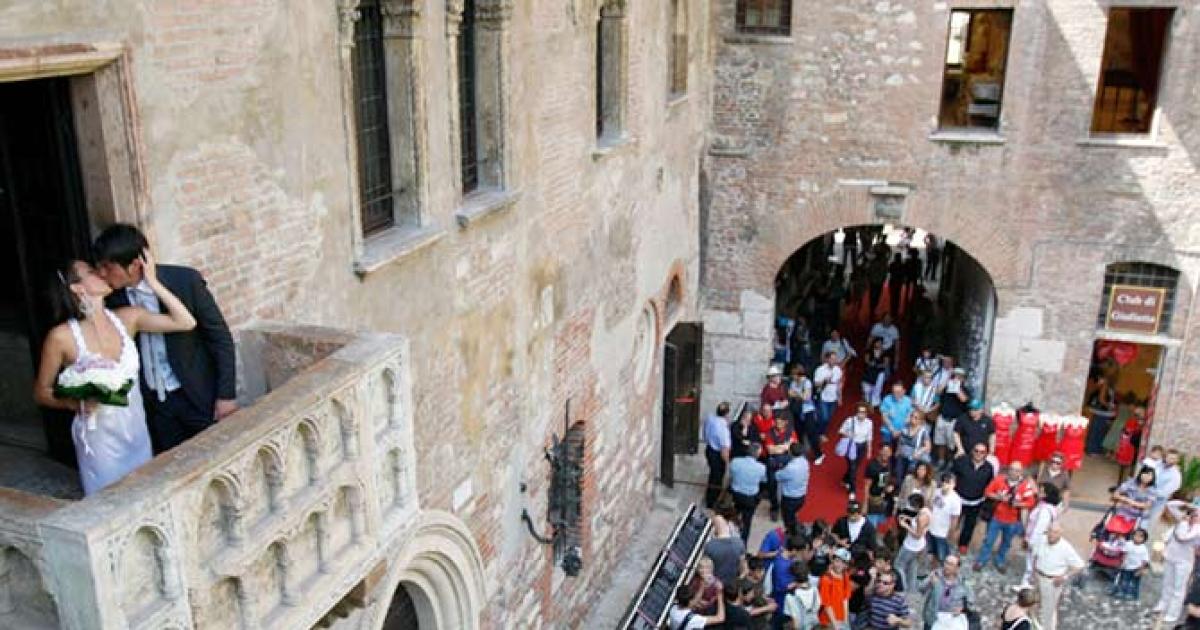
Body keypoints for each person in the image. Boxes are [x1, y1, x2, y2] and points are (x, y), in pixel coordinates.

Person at [33, 253, 197, 496]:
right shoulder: (61, 337)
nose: (101, 273)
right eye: (91, 271)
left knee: (144, 494)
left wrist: (153, 282)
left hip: (136, 428)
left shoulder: (128, 318)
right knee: (108, 499)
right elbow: (41, 392)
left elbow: (185, 322)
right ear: (77, 288)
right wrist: (72, 402)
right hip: (99, 439)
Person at [95, 224, 237, 453]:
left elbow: (219, 338)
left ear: (135, 264)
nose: (102, 274)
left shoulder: (185, 281)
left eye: (108, 267)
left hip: (197, 396)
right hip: (155, 405)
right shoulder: (112, 298)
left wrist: (226, 396)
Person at [975, 461, 1036, 573]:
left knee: (1006, 543)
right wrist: (998, 497)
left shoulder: (1025, 485)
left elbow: (1031, 502)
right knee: (989, 540)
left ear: (1021, 472)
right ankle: (981, 560)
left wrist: (1017, 504)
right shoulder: (999, 479)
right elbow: (987, 492)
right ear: (1008, 469)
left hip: (1012, 521)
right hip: (996, 517)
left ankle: (1000, 560)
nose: (1014, 472)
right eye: (1012, 469)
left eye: (1017, 470)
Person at [1153, 500, 1200, 625]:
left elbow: (1183, 537)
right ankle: (1163, 604)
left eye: (1197, 515)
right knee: (1167, 583)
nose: (1194, 516)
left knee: (1178, 588)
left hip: (1184, 562)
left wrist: (1187, 523)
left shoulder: (1196, 529)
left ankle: (1173, 613)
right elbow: (1170, 505)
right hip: (1171, 557)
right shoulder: (1182, 521)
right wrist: (1186, 504)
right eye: (1193, 514)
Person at [1030, 522, 1084, 630]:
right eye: (1050, 531)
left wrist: (1064, 577)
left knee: (1048, 609)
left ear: (1060, 533)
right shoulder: (1041, 540)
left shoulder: (1066, 548)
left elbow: (1080, 565)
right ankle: (1034, 624)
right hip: (1038, 576)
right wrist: (1033, 571)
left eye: (1055, 532)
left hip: (1052, 581)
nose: (1051, 534)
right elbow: (1035, 555)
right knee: (1033, 602)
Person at [951, 444, 995, 554]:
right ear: (972, 451)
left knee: (969, 525)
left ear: (986, 454)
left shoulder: (989, 468)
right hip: (959, 500)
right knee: (953, 521)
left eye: (982, 452)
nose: (979, 454)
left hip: (976, 502)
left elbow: (989, 484)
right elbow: (952, 475)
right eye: (976, 451)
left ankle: (963, 544)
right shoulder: (962, 462)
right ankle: (947, 539)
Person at [919, 555, 974, 630]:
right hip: (933, 617)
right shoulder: (936, 575)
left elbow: (971, 601)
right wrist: (930, 582)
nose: (947, 566)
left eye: (951, 564)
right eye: (946, 562)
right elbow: (921, 589)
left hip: (953, 620)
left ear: (957, 568)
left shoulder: (963, 583)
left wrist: (962, 609)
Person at [1021, 482, 1061, 585]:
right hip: (1039, 540)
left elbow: (1039, 528)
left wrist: (1030, 542)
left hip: (1037, 541)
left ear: (1047, 495)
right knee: (1034, 564)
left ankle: (1027, 585)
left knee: (1031, 564)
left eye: (1041, 492)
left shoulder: (1045, 510)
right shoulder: (1049, 507)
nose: (1038, 493)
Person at [731, 443, 768, 545]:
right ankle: (743, 544)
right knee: (747, 522)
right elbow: (764, 480)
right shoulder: (761, 468)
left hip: (736, 494)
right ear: (758, 454)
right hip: (750, 498)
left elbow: (732, 474)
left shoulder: (735, 461)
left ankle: (732, 528)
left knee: (736, 511)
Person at [764, 413, 799, 522]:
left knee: (788, 486)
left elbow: (794, 447)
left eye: (780, 422)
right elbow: (770, 450)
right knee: (772, 486)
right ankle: (774, 508)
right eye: (776, 422)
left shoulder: (791, 432)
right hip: (773, 463)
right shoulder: (770, 433)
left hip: (786, 463)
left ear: (785, 422)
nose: (777, 424)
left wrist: (778, 447)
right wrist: (786, 446)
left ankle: (786, 508)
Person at [895, 493, 931, 594]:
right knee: (912, 565)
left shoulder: (921, 517)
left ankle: (902, 586)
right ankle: (911, 588)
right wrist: (909, 518)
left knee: (899, 565)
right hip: (919, 545)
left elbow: (917, 535)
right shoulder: (926, 511)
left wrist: (905, 525)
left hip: (911, 546)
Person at [813, 352, 844, 465]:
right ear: (827, 359)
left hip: (833, 397)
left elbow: (839, 384)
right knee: (824, 417)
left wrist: (840, 397)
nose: (833, 361)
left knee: (829, 417)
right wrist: (825, 381)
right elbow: (816, 384)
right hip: (823, 397)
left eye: (835, 359)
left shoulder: (838, 370)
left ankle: (821, 431)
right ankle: (820, 434)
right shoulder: (820, 370)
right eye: (831, 359)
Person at [933, 368, 969, 468]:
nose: (956, 378)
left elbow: (964, 399)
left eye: (959, 376)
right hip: (942, 417)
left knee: (951, 444)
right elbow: (938, 392)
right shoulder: (947, 387)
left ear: (963, 379)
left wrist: (957, 388)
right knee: (940, 442)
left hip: (954, 420)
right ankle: (941, 460)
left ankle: (950, 461)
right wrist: (947, 380)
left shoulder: (964, 389)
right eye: (955, 375)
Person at [776, 443, 811, 536]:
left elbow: (778, 476)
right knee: (793, 515)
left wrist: (779, 469)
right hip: (801, 496)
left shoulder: (791, 468)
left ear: (790, 453)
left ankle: (792, 535)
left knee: (788, 520)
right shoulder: (805, 462)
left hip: (790, 499)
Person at [1146, 448, 1183, 537]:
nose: (1171, 460)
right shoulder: (1158, 465)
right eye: (1169, 457)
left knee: (1149, 523)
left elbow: (1164, 492)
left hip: (1157, 502)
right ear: (1165, 457)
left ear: (1177, 460)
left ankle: (1143, 539)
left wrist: (1151, 492)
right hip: (1144, 496)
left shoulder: (1176, 475)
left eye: (1174, 459)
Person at [839, 402, 874, 493]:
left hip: (862, 447)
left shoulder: (869, 423)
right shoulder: (850, 420)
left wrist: (869, 450)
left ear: (866, 413)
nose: (861, 414)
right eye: (859, 412)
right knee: (853, 468)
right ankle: (852, 489)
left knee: (855, 466)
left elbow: (869, 437)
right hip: (851, 446)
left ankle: (845, 479)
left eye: (863, 412)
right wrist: (849, 434)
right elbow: (841, 431)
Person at [704, 402, 733, 508]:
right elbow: (724, 450)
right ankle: (712, 501)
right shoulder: (723, 430)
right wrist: (728, 463)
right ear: (726, 414)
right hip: (717, 455)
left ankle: (709, 497)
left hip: (709, 449)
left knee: (712, 475)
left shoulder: (710, 418)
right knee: (717, 478)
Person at [927, 473, 961, 564]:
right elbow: (930, 506)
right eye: (944, 482)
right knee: (932, 550)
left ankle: (942, 567)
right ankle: (933, 565)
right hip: (931, 528)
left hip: (942, 533)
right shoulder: (936, 492)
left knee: (942, 555)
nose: (945, 484)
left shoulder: (955, 500)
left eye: (948, 483)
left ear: (954, 484)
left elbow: (954, 519)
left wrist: (950, 533)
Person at [1111, 465, 1157, 533]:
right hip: (1123, 510)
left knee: (1141, 530)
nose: (1146, 477)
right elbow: (1115, 494)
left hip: (1139, 515)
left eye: (1149, 475)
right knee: (1114, 526)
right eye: (1145, 473)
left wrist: (1132, 502)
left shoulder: (1153, 490)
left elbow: (1147, 505)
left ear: (1153, 477)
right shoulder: (1131, 482)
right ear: (1140, 473)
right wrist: (1125, 499)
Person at [1110, 527, 1149, 601]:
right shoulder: (1128, 544)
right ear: (1133, 535)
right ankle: (1123, 592)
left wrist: (1141, 570)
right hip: (1127, 567)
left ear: (1144, 539)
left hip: (1137, 568)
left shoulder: (1143, 549)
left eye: (1140, 536)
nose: (1137, 538)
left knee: (1135, 583)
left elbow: (1145, 560)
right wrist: (1123, 562)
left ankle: (1134, 595)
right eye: (1136, 535)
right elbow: (1125, 553)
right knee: (1125, 580)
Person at [819, 548, 853, 629]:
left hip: (841, 619)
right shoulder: (826, 579)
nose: (840, 565)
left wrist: (845, 620)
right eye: (837, 561)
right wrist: (835, 624)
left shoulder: (845, 576)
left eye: (843, 562)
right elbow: (827, 604)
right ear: (832, 560)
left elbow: (845, 599)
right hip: (827, 620)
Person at [788, 364, 818, 452]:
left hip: (807, 410)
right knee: (799, 432)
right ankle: (801, 451)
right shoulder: (793, 383)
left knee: (811, 432)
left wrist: (796, 394)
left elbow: (806, 397)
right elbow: (790, 394)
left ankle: (817, 452)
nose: (792, 376)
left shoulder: (807, 382)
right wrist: (800, 395)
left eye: (794, 374)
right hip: (797, 410)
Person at [865, 446, 896, 527]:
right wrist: (865, 503)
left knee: (881, 521)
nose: (886, 453)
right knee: (871, 524)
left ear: (890, 453)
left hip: (884, 500)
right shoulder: (872, 466)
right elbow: (867, 485)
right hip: (874, 500)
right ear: (880, 451)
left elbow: (886, 479)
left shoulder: (888, 464)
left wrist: (890, 486)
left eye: (888, 451)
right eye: (884, 451)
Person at [1084, 375, 1116, 455]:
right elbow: (1101, 399)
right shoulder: (1105, 387)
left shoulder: (1104, 387)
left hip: (1101, 412)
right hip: (1102, 412)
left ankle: (1092, 449)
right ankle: (1093, 449)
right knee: (1097, 431)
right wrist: (1109, 406)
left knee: (1096, 430)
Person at [783, 564, 821, 630]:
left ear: (793, 577)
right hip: (814, 625)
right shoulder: (815, 590)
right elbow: (817, 608)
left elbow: (795, 623)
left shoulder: (790, 596)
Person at [879, 383, 914, 449]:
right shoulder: (887, 399)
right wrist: (892, 430)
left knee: (898, 452)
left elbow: (910, 417)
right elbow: (884, 417)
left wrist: (900, 431)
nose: (895, 394)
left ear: (903, 391)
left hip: (902, 432)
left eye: (898, 392)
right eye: (894, 392)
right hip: (887, 431)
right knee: (885, 451)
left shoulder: (908, 401)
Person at [861, 338, 889, 409]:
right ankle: (867, 400)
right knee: (867, 388)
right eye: (877, 342)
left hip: (880, 373)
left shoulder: (885, 353)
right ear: (874, 343)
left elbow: (886, 364)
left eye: (880, 343)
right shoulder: (869, 351)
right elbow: (866, 361)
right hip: (869, 372)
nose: (878, 344)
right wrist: (870, 363)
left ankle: (874, 403)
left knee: (877, 388)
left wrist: (877, 365)